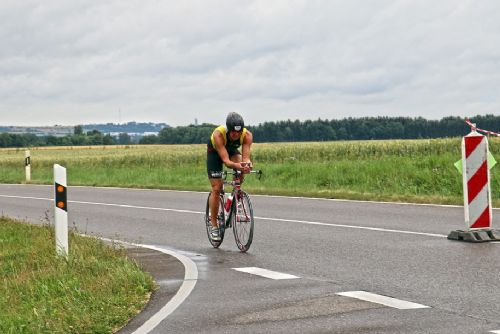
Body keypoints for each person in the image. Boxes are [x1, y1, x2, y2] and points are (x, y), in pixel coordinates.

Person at [207, 112, 253, 241]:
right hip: (215, 153)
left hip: (231, 151)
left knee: (241, 166)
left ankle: (235, 196)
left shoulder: (247, 135)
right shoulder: (219, 134)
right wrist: (237, 166)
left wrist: (247, 165)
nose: (236, 135)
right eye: (233, 132)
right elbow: (227, 162)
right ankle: (214, 225)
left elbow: (245, 157)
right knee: (217, 188)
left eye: (238, 132)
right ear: (228, 129)